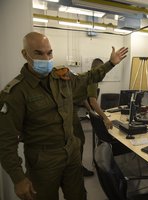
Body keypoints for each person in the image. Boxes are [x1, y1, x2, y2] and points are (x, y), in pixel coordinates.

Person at [0, 32, 128, 200]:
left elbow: (89, 77)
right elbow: (5, 140)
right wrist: (18, 178)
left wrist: (110, 63)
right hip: (43, 161)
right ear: (25, 54)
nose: (46, 58)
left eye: (49, 52)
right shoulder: (16, 92)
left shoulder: (62, 77)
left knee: (78, 196)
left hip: (72, 153)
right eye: (39, 53)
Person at [73, 58, 113, 177]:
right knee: (79, 139)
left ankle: (74, 166)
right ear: (99, 69)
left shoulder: (86, 76)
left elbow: (83, 97)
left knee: (75, 139)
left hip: (69, 107)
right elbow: (93, 101)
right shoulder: (93, 80)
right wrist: (105, 118)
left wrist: (90, 111)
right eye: (103, 71)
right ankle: (77, 168)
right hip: (69, 109)